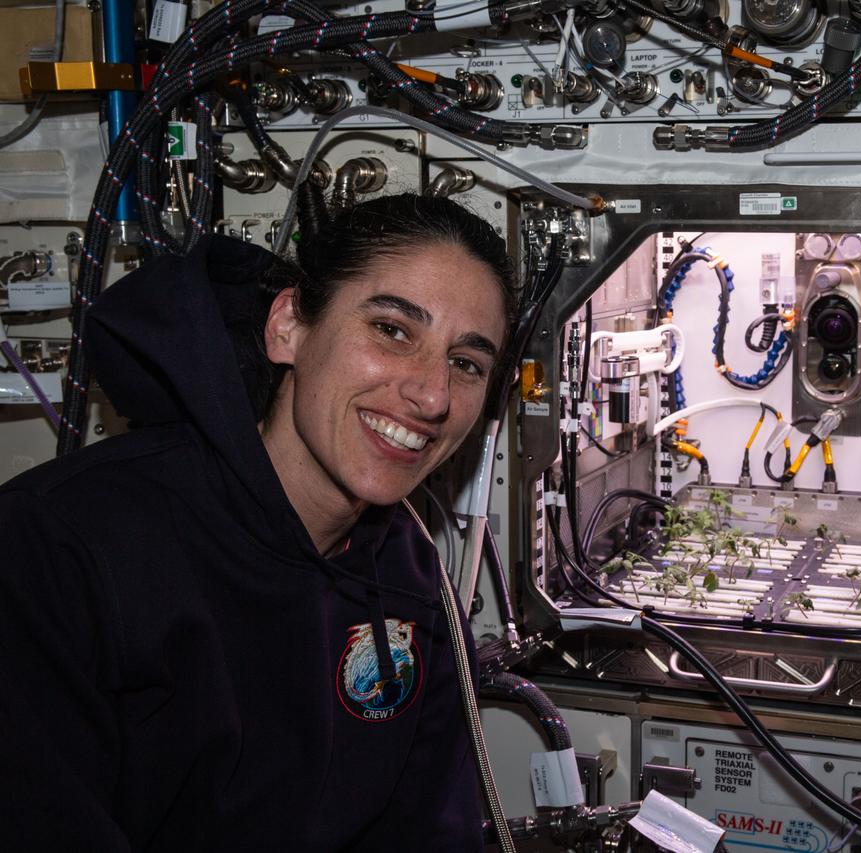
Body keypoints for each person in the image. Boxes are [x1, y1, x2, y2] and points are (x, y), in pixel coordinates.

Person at [0, 192, 517, 850]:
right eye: (392, 330)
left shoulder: (412, 575)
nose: (432, 394)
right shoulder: (59, 545)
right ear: (288, 326)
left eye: (466, 364)